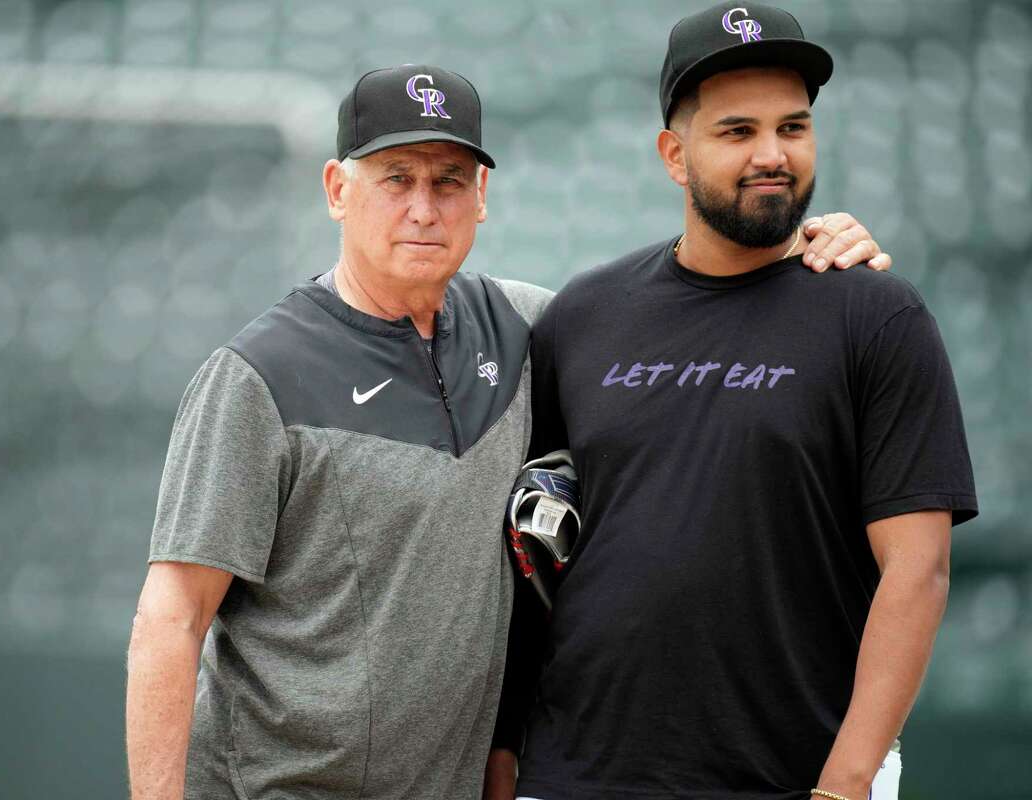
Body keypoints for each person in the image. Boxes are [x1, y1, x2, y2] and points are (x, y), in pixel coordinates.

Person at [125, 63, 890, 800]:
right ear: (337, 190)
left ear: (482, 195)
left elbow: (684, 315)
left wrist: (802, 245)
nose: (424, 207)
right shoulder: (258, 376)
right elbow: (171, 619)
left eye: (449, 181)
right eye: (396, 179)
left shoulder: (529, 326)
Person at [487, 5, 978, 800]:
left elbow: (917, 572)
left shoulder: (877, 317)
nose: (773, 155)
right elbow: (529, 555)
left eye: (794, 126)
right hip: (576, 773)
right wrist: (506, 751)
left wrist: (846, 784)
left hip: (794, 778)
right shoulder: (582, 316)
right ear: (674, 156)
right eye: (737, 131)